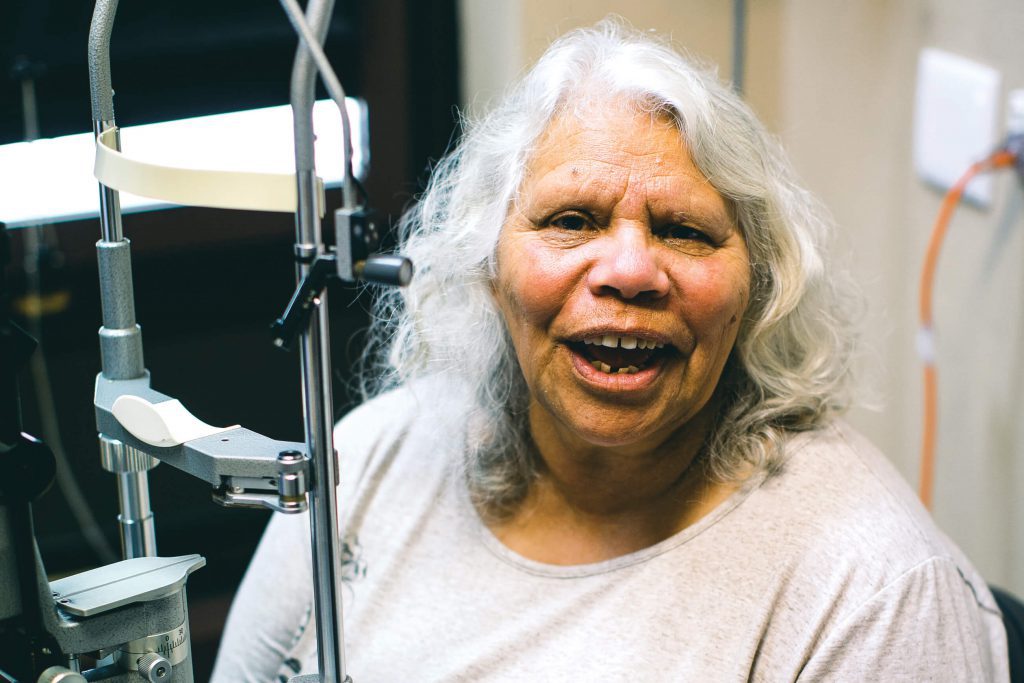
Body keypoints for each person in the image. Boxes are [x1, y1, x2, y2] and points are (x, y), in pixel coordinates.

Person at [213, 21, 1009, 681]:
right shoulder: (369, 462)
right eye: (572, 220)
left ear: (757, 293)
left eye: (685, 230)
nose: (629, 271)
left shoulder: (876, 595)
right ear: (488, 267)